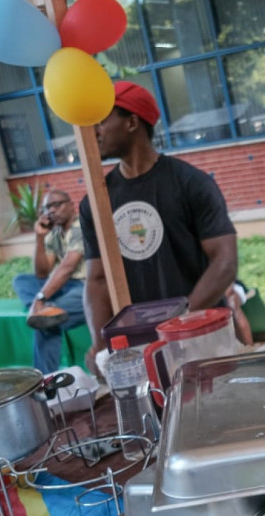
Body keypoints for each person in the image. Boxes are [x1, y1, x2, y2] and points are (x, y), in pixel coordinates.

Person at [79, 81, 238, 372]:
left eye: (101, 121)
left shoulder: (191, 183)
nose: (94, 132)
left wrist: (179, 326)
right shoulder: (96, 202)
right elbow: (97, 279)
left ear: (131, 122)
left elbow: (224, 262)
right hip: (140, 346)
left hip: (201, 337)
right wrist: (101, 344)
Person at [12, 188, 87, 374]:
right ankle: (44, 309)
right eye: (47, 207)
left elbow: (67, 267)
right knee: (22, 280)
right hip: (66, 286)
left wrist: (40, 297)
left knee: (46, 323)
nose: (51, 210)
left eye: (57, 205)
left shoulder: (80, 227)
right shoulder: (55, 233)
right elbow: (42, 272)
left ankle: (45, 378)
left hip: (85, 286)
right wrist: (39, 237)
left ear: (71, 205)